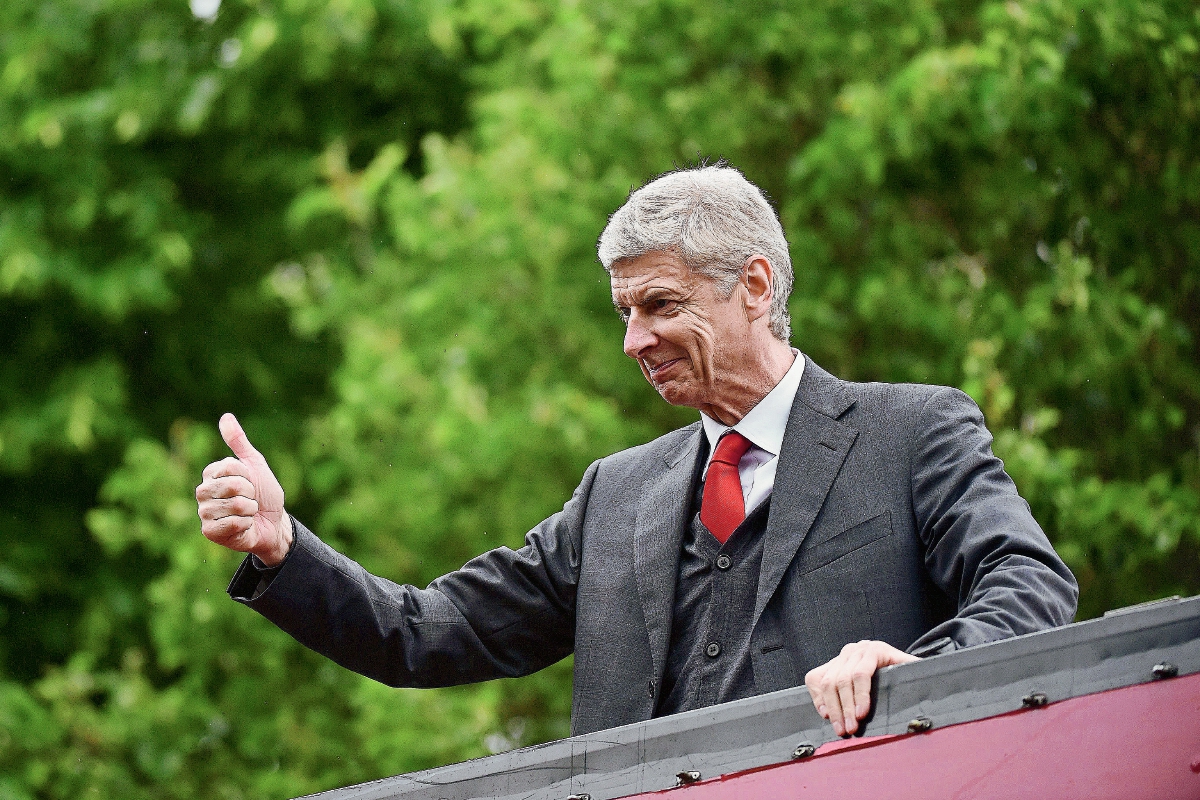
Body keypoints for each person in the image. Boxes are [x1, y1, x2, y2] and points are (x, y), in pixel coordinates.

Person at [196, 164, 1077, 740]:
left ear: (755, 285)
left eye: (659, 305)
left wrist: (915, 674)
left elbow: (1032, 585)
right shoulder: (613, 498)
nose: (634, 340)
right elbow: (424, 635)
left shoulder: (913, 433)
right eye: (624, 312)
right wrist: (282, 547)